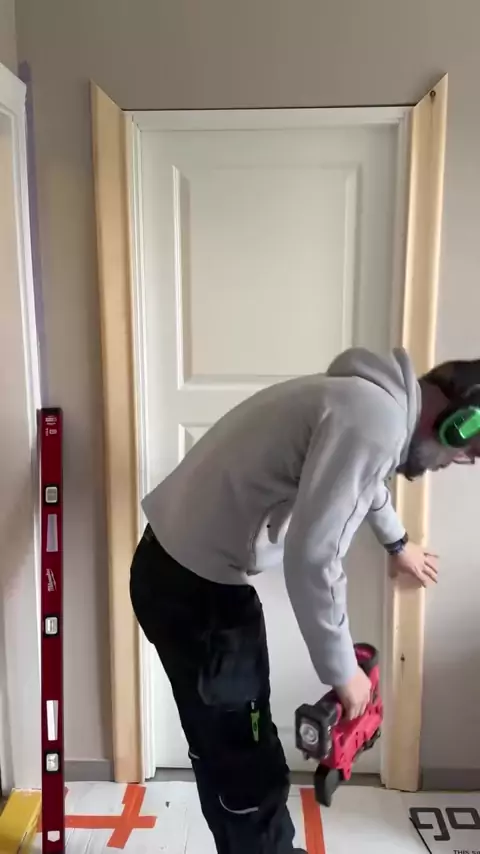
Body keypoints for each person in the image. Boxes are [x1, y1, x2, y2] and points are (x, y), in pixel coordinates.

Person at [130, 347, 480, 854]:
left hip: (166, 572)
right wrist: (344, 674)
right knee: (248, 767)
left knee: (220, 749)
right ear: (459, 422)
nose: (462, 461)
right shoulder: (374, 423)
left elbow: (363, 484)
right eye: (470, 450)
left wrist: (398, 543)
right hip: (202, 600)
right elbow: (314, 558)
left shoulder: (365, 403)